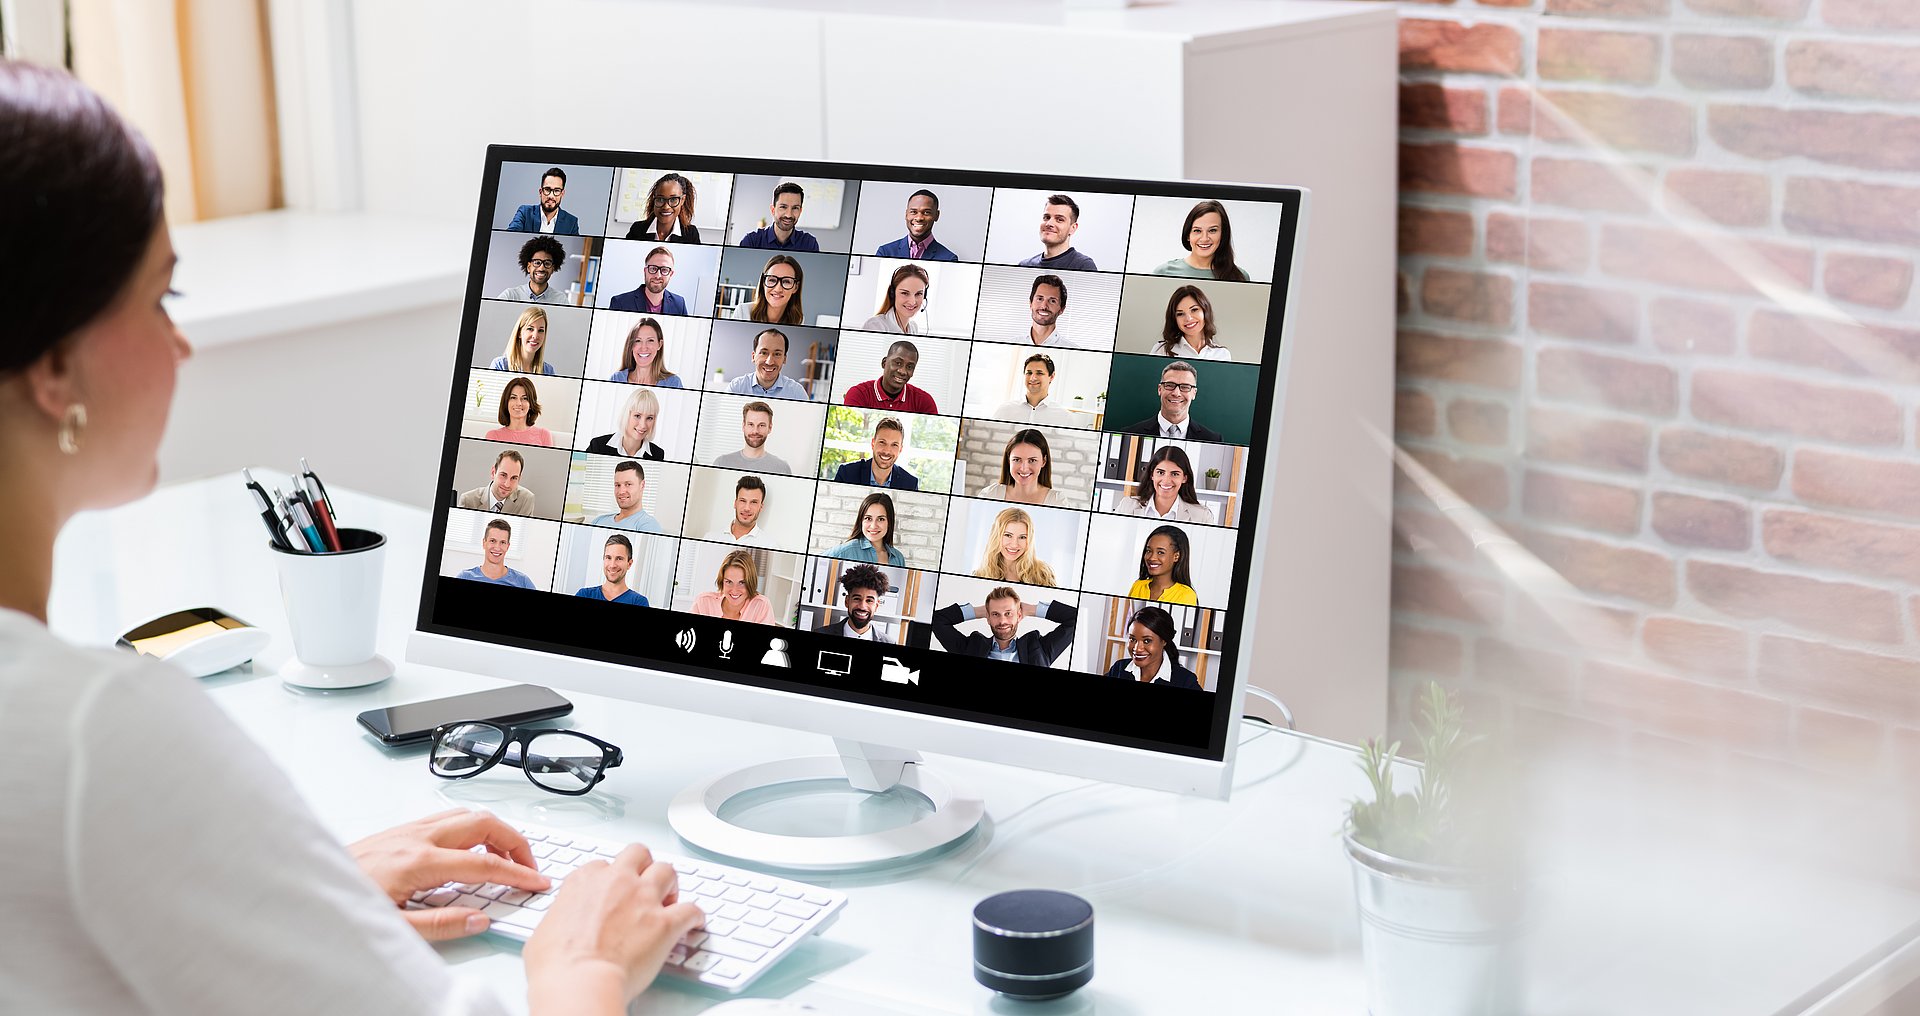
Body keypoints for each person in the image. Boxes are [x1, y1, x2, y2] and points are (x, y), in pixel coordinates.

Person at [0, 64, 698, 1015]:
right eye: (161, 298)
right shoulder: (102, 739)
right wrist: (587, 964)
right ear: (52, 366)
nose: (180, 346)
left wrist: (288, 892)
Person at [931, 588, 1077, 665]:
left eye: (1008, 613)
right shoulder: (971, 646)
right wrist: (979, 611)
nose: (1002, 621)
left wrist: (1032, 609)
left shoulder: (1038, 647)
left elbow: (1074, 619)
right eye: (995, 614)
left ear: (1019, 615)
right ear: (988, 618)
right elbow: (937, 620)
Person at [1102, 606, 1201, 688]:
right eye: (1132, 639)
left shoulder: (1186, 681)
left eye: (1147, 641)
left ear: (1164, 641)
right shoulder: (1118, 669)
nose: (1137, 648)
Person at [1121, 361, 1222, 441]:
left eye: (1185, 387)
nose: (1176, 393)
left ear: (1194, 393)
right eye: (1170, 385)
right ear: (1160, 389)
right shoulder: (1129, 433)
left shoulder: (1213, 439)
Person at [1151, 199, 1248, 282]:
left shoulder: (1240, 277)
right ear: (1188, 235)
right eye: (1197, 231)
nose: (1204, 238)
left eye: (1212, 230)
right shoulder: (1163, 273)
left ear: (1223, 234)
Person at [978, 429, 1078, 507]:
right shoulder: (991, 494)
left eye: (1032, 460)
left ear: (1044, 461)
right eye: (1017, 460)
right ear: (1009, 460)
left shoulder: (1057, 501)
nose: (1024, 468)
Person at [1119, 445, 1214, 524]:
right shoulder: (1127, 506)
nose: (1166, 480)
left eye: (1175, 474)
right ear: (1152, 475)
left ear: (1184, 478)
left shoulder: (1202, 516)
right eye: (1160, 472)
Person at [843, 339, 938, 414]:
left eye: (909, 367)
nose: (903, 371)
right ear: (884, 363)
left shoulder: (924, 402)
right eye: (898, 363)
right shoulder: (858, 394)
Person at [972, 506, 1056, 586]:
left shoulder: (1042, 573)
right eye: (1008, 535)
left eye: (1022, 537)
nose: (1014, 544)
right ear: (996, 536)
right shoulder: (980, 575)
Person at [832, 417, 918, 490]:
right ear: (873, 443)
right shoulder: (846, 474)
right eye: (882, 442)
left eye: (894, 445)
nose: (887, 451)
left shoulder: (910, 484)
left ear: (900, 449)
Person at [723, 327, 809, 400]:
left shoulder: (797, 393)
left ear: (784, 359)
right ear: (753, 356)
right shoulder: (736, 387)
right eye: (764, 353)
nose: (769, 362)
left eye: (777, 354)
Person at [991, 352, 1075, 427]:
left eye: (1039, 373)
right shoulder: (1004, 410)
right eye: (1029, 373)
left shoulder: (1065, 417)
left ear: (1051, 376)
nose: (1033, 378)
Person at [1017, 194, 1097, 271]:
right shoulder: (1024, 265)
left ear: (1072, 228)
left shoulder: (1083, 265)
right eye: (1047, 217)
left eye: (1059, 219)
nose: (1049, 224)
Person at [825, 492, 907, 567]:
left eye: (881, 519)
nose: (873, 526)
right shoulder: (846, 551)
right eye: (868, 518)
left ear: (889, 522)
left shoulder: (898, 558)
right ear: (861, 520)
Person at [691, 549, 774, 621]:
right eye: (729, 582)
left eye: (742, 583)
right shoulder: (703, 602)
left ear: (750, 583)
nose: (734, 590)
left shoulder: (761, 605)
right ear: (722, 581)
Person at [712, 401, 793, 473]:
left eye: (761, 425)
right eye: (751, 424)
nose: (755, 431)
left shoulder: (782, 468)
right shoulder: (721, 463)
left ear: (770, 428)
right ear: (743, 426)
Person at [875, 189, 957, 261]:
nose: (919, 218)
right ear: (906, 214)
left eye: (926, 212)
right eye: (913, 212)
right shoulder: (885, 252)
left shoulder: (949, 258)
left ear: (936, 215)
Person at [585, 387, 666, 460]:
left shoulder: (658, 454)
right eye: (637, 416)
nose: (643, 425)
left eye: (649, 418)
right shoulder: (598, 446)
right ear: (627, 415)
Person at [737, 181, 820, 251]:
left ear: (800, 211)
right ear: (773, 210)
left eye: (795, 208)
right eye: (783, 207)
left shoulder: (809, 243)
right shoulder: (752, 241)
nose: (788, 215)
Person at [455, 518, 537, 588]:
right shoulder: (465, 576)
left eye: (502, 542)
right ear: (484, 543)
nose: (497, 547)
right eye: (492, 541)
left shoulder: (523, 581)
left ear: (507, 546)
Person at [1155, 285, 1231, 361]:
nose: (1188, 319)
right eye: (1180, 314)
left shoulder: (1222, 354)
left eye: (1194, 310)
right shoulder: (1161, 350)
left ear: (1205, 311)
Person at [1128, 525, 1199, 605]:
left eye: (1160, 552)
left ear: (1176, 556)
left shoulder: (1186, 595)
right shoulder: (1138, 586)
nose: (1152, 558)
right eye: (1148, 551)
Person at [816, 563, 890, 638]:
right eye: (857, 599)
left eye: (869, 600)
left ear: (876, 606)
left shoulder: (890, 642)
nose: (862, 606)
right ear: (847, 601)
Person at [607, 247, 688, 316]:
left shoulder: (680, 304)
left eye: (664, 270)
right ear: (645, 271)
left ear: (671, 274)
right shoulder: (620, 303)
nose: (657, 276)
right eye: (653, 269)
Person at [1020, 274, 1093, 350]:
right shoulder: (1012, 344)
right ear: (1030, 303)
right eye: (1040, 299)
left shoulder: (1073, 351)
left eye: (1052, 301)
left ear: (1061, 309)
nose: (1044, 306)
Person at [586, 460, 663, 533]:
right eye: (617, 485)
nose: (621, 491)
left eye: (628, 484)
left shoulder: (648, 525)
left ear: (642, 485)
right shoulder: (599, 520)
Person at [728, 254, 805, 325]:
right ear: (763, 283)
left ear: (796, 287)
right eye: (772, 280)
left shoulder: (798, 320)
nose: (778, 289)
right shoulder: (743, 312)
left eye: (786, 281)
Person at [625, 172, 701, 243]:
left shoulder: (691, 234)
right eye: (660, 199)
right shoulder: (637, 229)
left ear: (682, 200)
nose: (666, 206)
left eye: (673, 199)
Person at [575, 534, 649, 604]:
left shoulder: (638, 602)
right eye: (608, 558)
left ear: (629, 564)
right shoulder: (584, 594)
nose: (612, 565)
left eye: (619, 558)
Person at [608, 318, 682, 386]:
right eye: (638, 341)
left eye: (650, 340)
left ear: (660, 344)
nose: (644, 348)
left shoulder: (674, 383)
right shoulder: (616, 379)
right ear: (631, 345)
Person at [506, 166, 581, 234]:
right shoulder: (525, 212)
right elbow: (510, 235)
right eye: (547, 189)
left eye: (557, 190)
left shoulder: (572, 222)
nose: (551, 196)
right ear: (540, 192)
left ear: (562, 193)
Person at [459, 448, 536, 514]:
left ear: (519, 479)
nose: (507, 484)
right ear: (493, 473)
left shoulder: (526, 500)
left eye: (513, 478)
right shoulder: (467, 500)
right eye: (503, 475)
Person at [860, 264, 930, 336]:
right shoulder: (875, 326)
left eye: (918, 294)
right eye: (905, 293)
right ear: (892, 294)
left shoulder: (913, 327)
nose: (912, 302)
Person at [483, 376, 553, 446]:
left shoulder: (544, 435)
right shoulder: (493, 436)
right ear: (506, 402)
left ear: (531, 404)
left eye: (525, 398)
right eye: (513, 397)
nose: (518, 403)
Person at [496, 235, 569, 303]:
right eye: (537, 263)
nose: (541, 268)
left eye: (547, 263)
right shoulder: (510, 296)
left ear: (553, 269)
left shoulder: (561, 300)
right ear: (528, 267)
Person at [701, 475, 770, 545]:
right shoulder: (710, 538)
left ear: (761, 507)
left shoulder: (770, 545)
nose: (747, 508)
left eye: (754, 502)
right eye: (743, 501)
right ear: (735, 503)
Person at [489, 306, 557, 375]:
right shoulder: (500, 366)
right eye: (530, 329)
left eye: (540, 330)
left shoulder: (548, 371)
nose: (535, 336)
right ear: (519, 333)